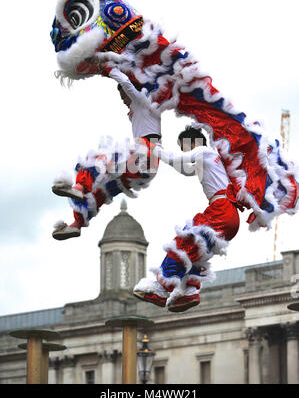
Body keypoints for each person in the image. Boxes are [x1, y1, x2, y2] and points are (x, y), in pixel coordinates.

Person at [133, 126, 243, 312]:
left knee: (183, 241)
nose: (185, 152)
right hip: (230, 216)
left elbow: (179, 159)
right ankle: (190, 290)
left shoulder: (203, 150)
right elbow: (185, 168)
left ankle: (161, 289)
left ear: (192, 143)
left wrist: (154, 148)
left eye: (184, 147)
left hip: (221, 210)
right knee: (196, 252)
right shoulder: (210, 158)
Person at [52, 68, 162, 240]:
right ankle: (77, 223)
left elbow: (126, 82)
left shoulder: (142, 101)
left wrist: (108, 68)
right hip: (143, 169)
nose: (124, 101)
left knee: (99, 157)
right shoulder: (137, 112)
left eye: (125, 97)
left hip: (147, 153)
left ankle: (80, 187)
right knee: (103, 190)